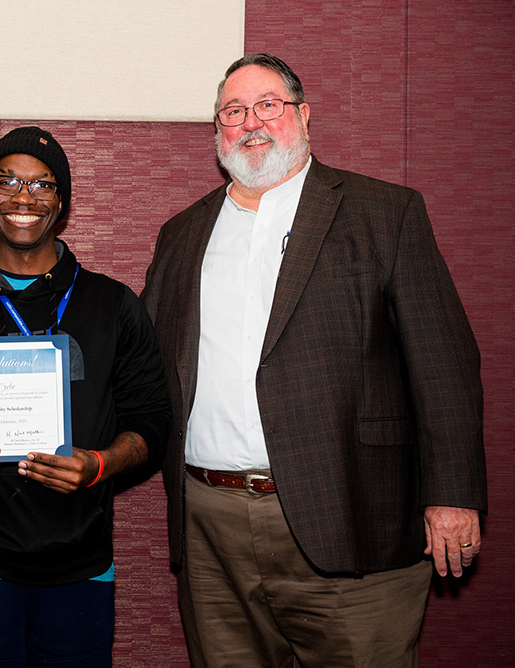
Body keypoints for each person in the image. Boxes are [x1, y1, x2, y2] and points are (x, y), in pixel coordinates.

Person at [143, 53, 488, 667]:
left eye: (268, 105)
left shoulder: (384, 212)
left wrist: (453, 495)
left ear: (303, 116)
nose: (251, 122)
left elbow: (444, 365)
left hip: (352, 512)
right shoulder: (182, 234)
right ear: (216, 131)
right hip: (210, 527)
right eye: (233, 110)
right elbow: (142, 362)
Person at [0, 126, 171, 668]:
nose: (23, 197)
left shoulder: (114, 305)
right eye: (7, 181)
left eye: (42, 185)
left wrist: (100, 464)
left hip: (81, 566)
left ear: (62, 201)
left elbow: (153, 422)